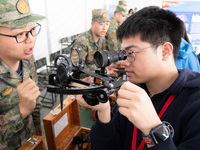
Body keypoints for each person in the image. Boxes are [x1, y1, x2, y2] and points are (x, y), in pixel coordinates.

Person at [75, 6, 200, 150]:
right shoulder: (134, 90)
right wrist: (104, 111)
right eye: (123, 54)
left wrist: (153, 129)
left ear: (165, 51)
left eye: (131, 53)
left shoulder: (195, 104)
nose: (123, 62)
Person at [0, 0, 45, 149]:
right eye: (20, 34)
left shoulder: (27, 59)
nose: (31, 39)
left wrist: (37, 124)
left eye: (32, 30)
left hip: (30, 139)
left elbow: (35, 96)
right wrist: (21, 110)